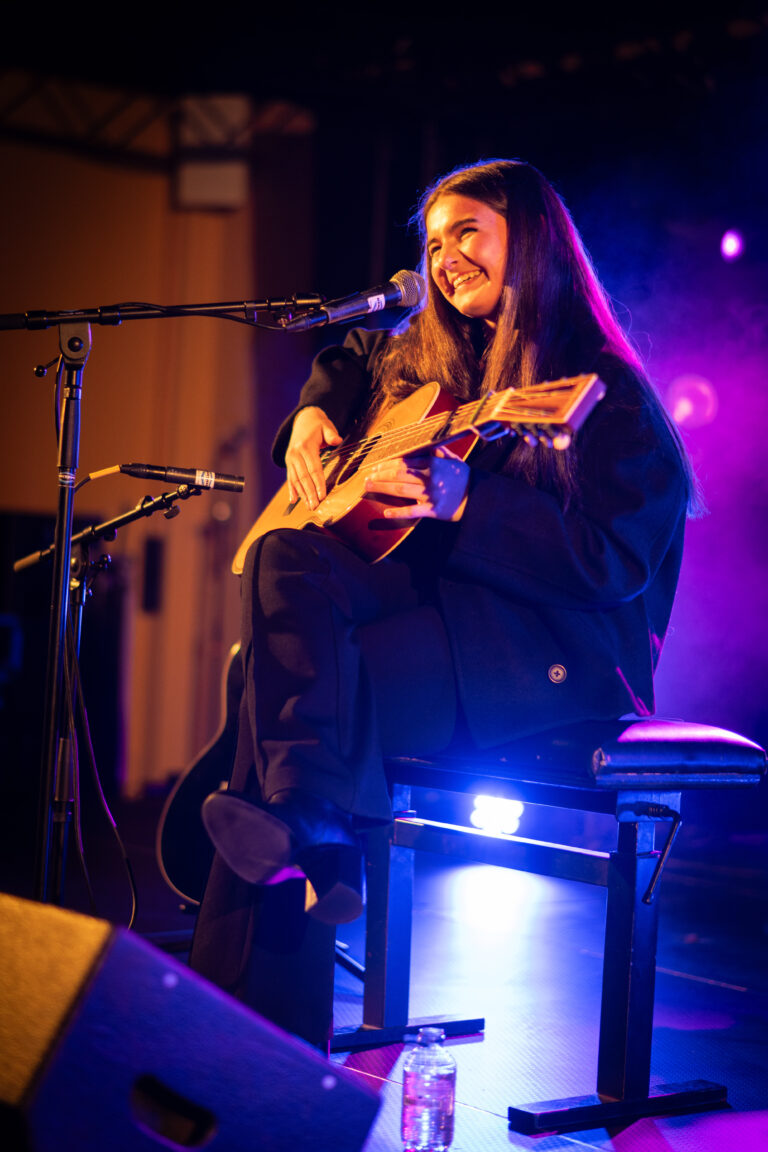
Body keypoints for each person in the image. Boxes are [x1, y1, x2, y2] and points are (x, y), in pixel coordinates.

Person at [189, 158, 696, 1047]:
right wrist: (312, 414)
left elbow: (610, 565)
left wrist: (472, 502)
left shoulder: (609, 398)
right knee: (279, 555)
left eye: (468, 233)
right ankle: (306, 832)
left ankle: (246, 1031)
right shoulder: (440, 363)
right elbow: (352, 357)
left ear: (530, 242)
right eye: (432, 243)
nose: (445, 257)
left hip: (545, 668)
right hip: (445, 637)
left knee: (292, 711)